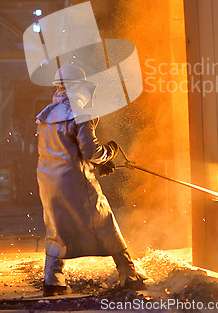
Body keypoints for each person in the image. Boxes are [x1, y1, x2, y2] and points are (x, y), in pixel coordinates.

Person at [36, 63, 146, 296]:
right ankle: (129, 274)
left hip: (48, 181)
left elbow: (65, 149)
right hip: (76, 182)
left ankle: (53, 279)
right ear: (79, 87)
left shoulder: (46, 115)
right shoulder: (81, 113)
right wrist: (109, 153)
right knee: (104, 221)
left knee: (57, 226)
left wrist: (98, 163)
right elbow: (90, 152)